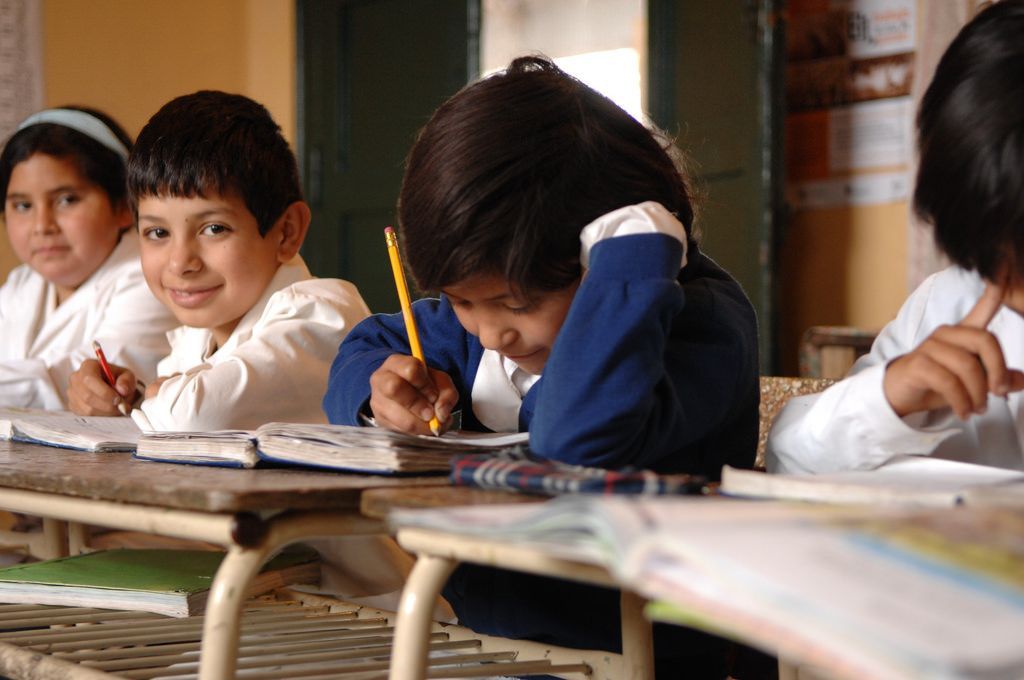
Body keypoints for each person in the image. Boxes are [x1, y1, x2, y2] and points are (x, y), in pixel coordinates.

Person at [324, 56, 760, 676]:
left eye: (518, 304)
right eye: (461, 301)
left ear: (602, 254)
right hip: (493, 650)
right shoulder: (473, 322)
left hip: (658, 658)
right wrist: (379, 391)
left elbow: (574, 438)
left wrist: (634, 255)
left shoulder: (700, 324)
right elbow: (367, 343)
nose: (491, 332)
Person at [768, 0, 1024, 475]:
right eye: (990, 255)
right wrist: (890, 397)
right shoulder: (947, 305)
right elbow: (791, 457)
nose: (1005, 288)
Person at [66, 91, 371, 431]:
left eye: (214, 228)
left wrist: (157, 397)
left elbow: (193, 417)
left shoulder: (321, 317)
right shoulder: (198, 338)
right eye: (157, 233)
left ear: (287, 232)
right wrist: (126, 398)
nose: (181, 263)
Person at [0, 107, 177, 409]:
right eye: (23, 206)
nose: (42, 226)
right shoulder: (23, 283)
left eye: (67, 200)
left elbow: (66, 382)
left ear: (124, 206)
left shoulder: (150, 278)